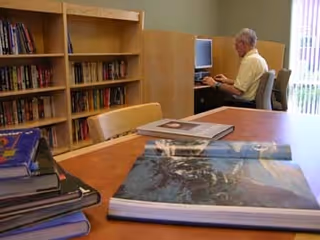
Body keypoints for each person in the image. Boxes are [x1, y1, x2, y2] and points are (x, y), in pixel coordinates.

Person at [202, 28, 268, 107]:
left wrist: (215, 84)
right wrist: (227, 81)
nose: (235, 48)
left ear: (243, 44)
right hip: (252, 102)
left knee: (211, 99)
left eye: (236, 45)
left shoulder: (250, 61)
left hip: (245, 104)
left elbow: (238, 91)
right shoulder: (259, 59)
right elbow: (249, 83)